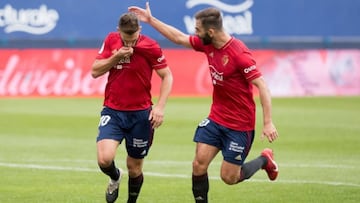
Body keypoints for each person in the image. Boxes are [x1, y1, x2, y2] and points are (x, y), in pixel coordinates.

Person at [129, 2, 279, 202]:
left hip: (239, 125)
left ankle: (263, 160)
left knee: (229, 177)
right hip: (216, 119)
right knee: (198, 165)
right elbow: (179, 38)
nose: (195, 34)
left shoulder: (239, 54)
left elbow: (262, 86)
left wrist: (267, 122)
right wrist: (150, 20)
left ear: (211, 31)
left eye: (198, 30)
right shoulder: (207, 43)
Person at [91, 12, 173, 203]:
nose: (129, 45)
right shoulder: (111, 41)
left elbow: (167, 76)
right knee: (104, 159)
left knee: (134, 167)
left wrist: (160, 107)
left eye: (133, 39)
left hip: (141, 115)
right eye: (126, 40)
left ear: (140, 31)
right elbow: (95, 71)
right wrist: (116, 57)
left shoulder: (150, 46)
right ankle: (115, 177)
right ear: (118, 30)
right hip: (113, 110)